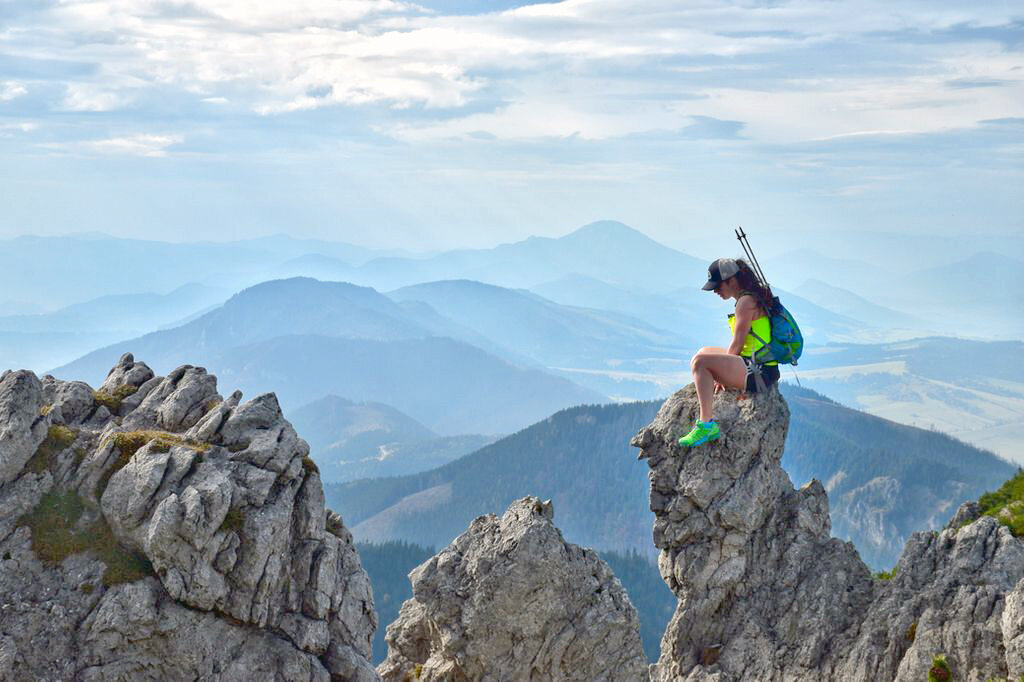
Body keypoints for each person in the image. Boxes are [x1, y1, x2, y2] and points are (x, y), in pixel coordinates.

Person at [677, 257, 781, 448]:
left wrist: (720, 375)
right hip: (757, 363)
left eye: (717, 286)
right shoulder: (750, 297)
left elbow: (738, 344)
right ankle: (707, 410)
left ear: (731, 281)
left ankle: (706, 425)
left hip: (759, 372)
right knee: (703, 352)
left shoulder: (745, 302)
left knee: (699, 361)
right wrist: (722, 370)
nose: (715, 291)